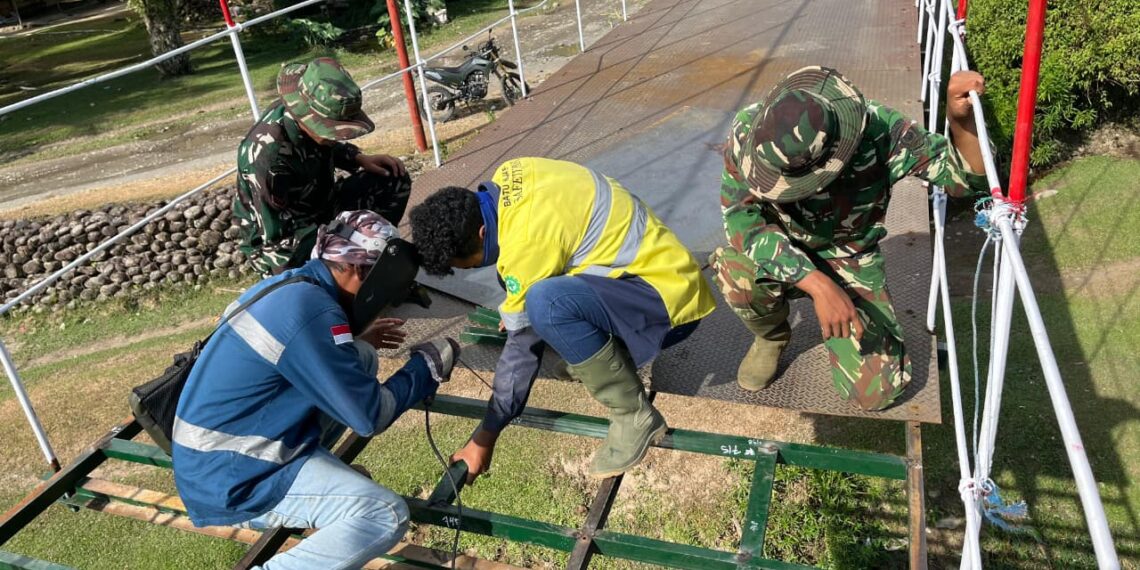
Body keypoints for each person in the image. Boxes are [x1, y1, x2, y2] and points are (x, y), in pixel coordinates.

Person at [172, 210, 459, 570]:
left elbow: (303, 347)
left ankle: (321, 479)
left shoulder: (294, 286)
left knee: (362, 356)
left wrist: (352, 342)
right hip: (231, 480)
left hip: (216, 455)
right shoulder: (313, 313)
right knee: (383, 514)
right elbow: (372, 416)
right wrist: (426, 369)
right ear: (358, 270)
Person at [409, 157, 716, 481]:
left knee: (544, 304)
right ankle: (598, 355)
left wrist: (484, 437)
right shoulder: (512, 173)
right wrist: (518, 304)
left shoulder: (525, 243)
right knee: (521, 289)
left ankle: (633, 415)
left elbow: (520, 355)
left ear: (482, 233)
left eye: (469, 264)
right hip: (659, 271)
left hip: (669, 308)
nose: (472, 269)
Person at [712, 66, 988, 411]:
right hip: (786, 246)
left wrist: (960, 119)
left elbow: (962, 180)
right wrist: (816, 284)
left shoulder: (880, 129)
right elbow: (742, 219)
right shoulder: (749, 134)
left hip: (852, 255)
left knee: (876, 393)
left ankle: (851, 321)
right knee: (735, 273)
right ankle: (772, 336)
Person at [233, 57, 412, 276]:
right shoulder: (266, 159)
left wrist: (357, 157)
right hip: (289, 238)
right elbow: (277, 241)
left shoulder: (306, 114)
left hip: (324, 209)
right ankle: (339, 274)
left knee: (392, 179)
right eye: (333, 131)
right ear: (307, 118)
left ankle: (370, 261)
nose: (335, 137)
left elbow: (323, 145)